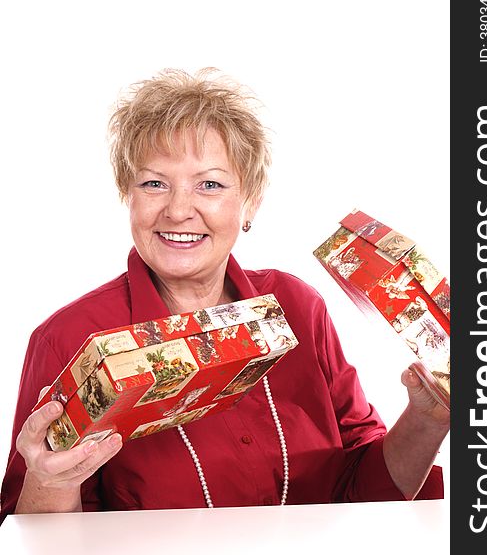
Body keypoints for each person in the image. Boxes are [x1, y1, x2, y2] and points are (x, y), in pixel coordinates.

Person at [0, 69, 449, 523]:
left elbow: (364, 496)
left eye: (210, 184)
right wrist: (52, 482)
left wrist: (427, 419)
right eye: (153, 183)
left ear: (250, 201)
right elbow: (31, 538)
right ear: (127, 195)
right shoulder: (68, 338)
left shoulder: (297, 306)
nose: (177, 210)